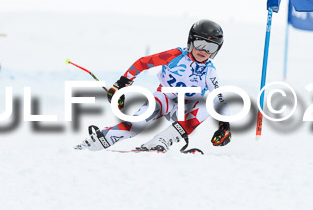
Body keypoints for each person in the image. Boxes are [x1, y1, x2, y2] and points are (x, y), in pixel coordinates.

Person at [75, 19, 232, 152]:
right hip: (164, 98)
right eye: (200, 43)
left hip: (187, 108)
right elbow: (143, 63)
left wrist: (224, 126)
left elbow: (219, 99)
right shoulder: (175, 55)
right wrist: (122, 84)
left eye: (211, 47)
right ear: (191, 41)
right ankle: (96, 142)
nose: (203, 51)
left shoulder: (210, 71)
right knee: (135, 125)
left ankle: (162, 140)